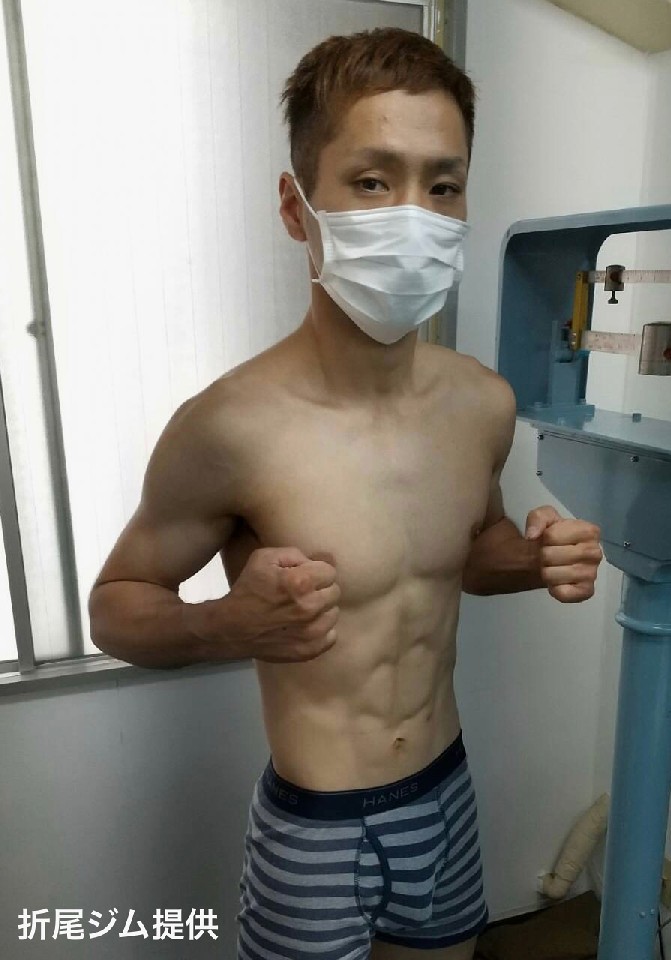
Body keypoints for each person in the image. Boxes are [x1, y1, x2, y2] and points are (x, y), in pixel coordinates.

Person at [88, 26, 603, 960]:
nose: (414, 215)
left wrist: (533, 558)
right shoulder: (230, 426)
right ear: (298, 207)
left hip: (446, 791)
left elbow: (468, 552)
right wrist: (226, 624)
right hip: (317, 822)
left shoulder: (482, 404)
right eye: (372, 181)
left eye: (442, 185)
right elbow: (114, 607)